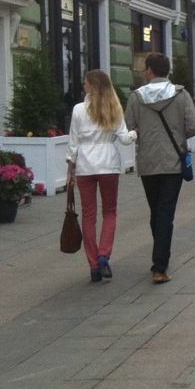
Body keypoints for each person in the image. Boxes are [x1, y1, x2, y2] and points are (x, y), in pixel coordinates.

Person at [125, 53, 195, 284]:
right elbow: (193, 127)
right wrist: (178, 136)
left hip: (148, 161)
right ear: (167, 71)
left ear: (150, 71)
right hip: (173, 162)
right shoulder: (181, 95)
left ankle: (159, 259)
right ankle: (160, 265)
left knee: (155, 210)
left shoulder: (136, 98)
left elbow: (129, 127)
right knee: (166, 212)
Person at [67, 69, 136, 284]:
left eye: (86, 83)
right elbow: (125, 139)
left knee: (89, 215)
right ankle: (104, 254)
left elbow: (73, 142)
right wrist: (135, 133)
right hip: (108, 164)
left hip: (85, 165)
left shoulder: (78, 109)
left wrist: (70, 167)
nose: (84, 86)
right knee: (110, 212)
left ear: (93, 86)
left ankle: (94, 264)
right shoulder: (113, 107)